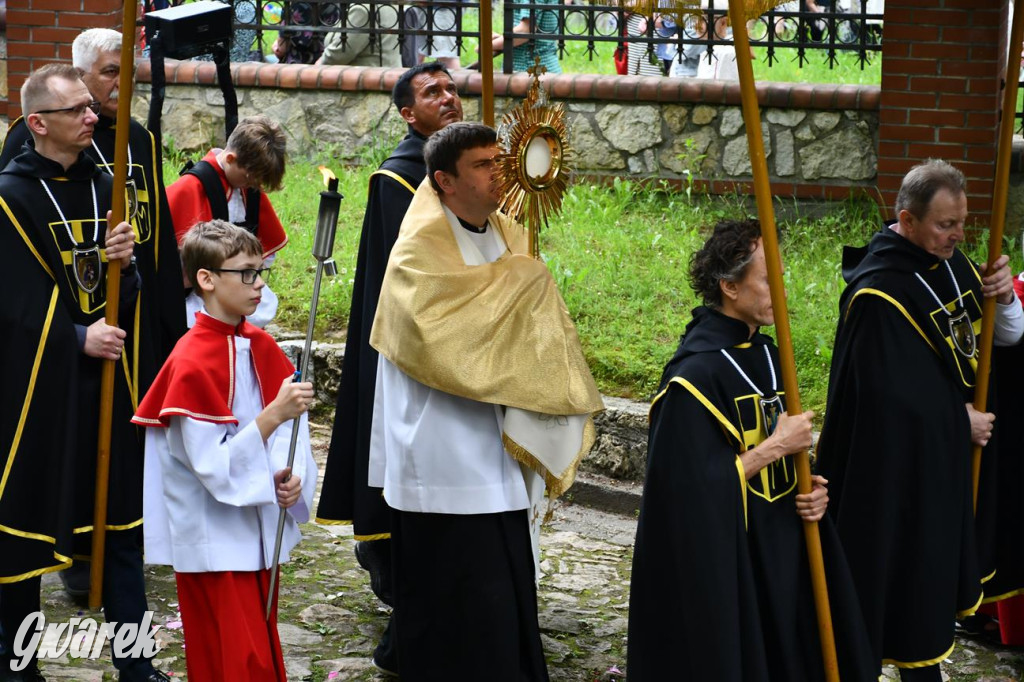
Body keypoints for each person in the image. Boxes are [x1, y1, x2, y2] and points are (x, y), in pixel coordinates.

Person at [368, 122, 603, 679]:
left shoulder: (509, 234)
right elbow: (434, 336)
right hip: (441, 442)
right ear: (445, 181)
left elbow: (529, 326)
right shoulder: (416, 251)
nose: (500, 173)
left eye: (500, 161)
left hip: (498, 436)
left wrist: (523, 289)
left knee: (501, 575)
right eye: (482, 165)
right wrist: (518, 286)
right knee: (450, 576)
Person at [627, 219, 876, 681]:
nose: (781, 291)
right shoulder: (692, 379)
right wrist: (776, 447)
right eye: (768, 280)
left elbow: (783, 458)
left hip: (783, 549)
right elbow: (688, 495)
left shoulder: (767, 354)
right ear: (730, 286)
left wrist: (811, 487)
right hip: (734, 562)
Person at [816, 159, 1024, 681]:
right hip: (899, 475)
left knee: (934, 583)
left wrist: (1004, 298)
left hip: (945, 462)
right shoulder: (877, 293)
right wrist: (958, 423)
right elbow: (886, 402)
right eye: (946, 224)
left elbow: (999, 341)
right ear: (906, 220)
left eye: (963, 222)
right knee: (907, 585)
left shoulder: (950, 262)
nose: (959, 235)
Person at [0, 26, 188, 603]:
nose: (92, 116)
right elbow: (14, 298)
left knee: (119, 521)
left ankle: (133, 648)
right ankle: (14, 647)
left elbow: (122, 285)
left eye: (90, 106)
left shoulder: (109, 185)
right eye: (77, 109)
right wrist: (76, 336)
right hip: (43, 379)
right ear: (38, 123)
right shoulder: (10, 195)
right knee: (28, 524)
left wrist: (125, 269)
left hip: (110, 374)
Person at [315, 60, 463, 675]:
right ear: (408, 113)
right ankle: (396, 570)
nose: (448, 97)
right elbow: (406, 274)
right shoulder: (398, 178)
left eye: (452, 88)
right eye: (432, 92)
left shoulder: (466, 166)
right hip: (406, 344)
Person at [132, 220, 317, 682]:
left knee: (258, 655)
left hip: (256, 531)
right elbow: (210, 465)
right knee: (235, 660)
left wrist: (288, 475)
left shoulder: (260, 345)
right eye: (247, 273)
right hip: (215, 541)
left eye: (261, 271)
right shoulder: (191, 360)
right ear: (207, 279)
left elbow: (287, 435)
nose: (259, 285)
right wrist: (273, 415)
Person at [166, 114, 288, 328]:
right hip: (197, 299)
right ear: (230, 158)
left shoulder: (249, 188)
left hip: (240, 290)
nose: (253, 185)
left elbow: (265, 251)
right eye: (249, 178)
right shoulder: (190, 187)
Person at [316, 2, 402, 67]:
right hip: (386, 75)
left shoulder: (361, 10)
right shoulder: (388, 5)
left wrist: (319, 65)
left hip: (365, 78)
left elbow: (340, 54)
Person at [491, 0, 562, 74]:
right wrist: (500, 39)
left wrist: (488, 45)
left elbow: (526, 30)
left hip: (529, 69)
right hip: (541, 66)